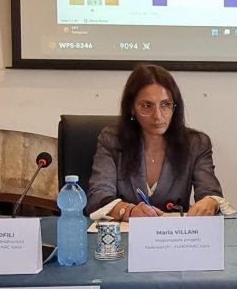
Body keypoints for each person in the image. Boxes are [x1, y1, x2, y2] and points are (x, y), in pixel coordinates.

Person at [87, 64, 223, 219]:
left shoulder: (196, 144)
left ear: (175, 106)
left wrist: (210, 201)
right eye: (147, 106)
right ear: (132, 108)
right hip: (126, 232)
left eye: (165, 104)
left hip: (176, 233)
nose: (158, 116)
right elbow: (97, 196)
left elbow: (211, 193)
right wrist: (128, 211)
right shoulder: (112, 140)